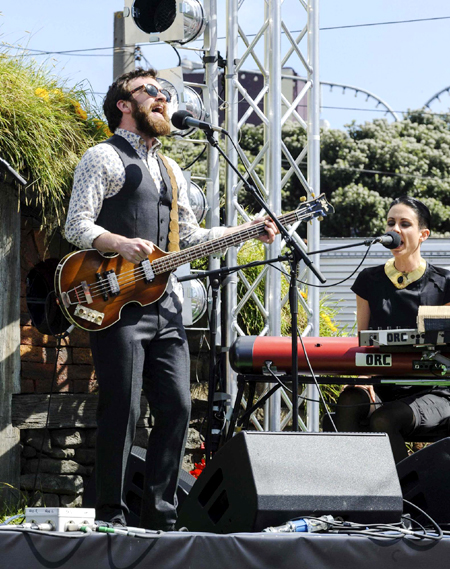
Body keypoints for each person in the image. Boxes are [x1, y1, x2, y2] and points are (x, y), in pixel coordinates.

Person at [64, 67, 277, 530]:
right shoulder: (102, 157)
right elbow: (76, 224)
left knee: (178, 406)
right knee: (122, 407)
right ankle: (110, 515)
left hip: (167, 304)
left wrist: (247, 231)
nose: (162, 97)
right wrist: (117, 243)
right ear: (124, 104)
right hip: (116, 303)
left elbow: (192, 238)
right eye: (150, 91)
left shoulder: (171, 170)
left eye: (164, 91)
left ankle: (160, 517)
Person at [335, 196, 450, 463]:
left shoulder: (444, 283)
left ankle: (406, 488)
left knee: (386, 419)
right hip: (384, 385)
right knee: (350, 401)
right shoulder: (369, 280)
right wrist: (362, 378)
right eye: (390, 223)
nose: (395, 229)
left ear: (423, 235)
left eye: (405, 224)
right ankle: (351, 484)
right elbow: (364, 342)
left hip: (434, 389)